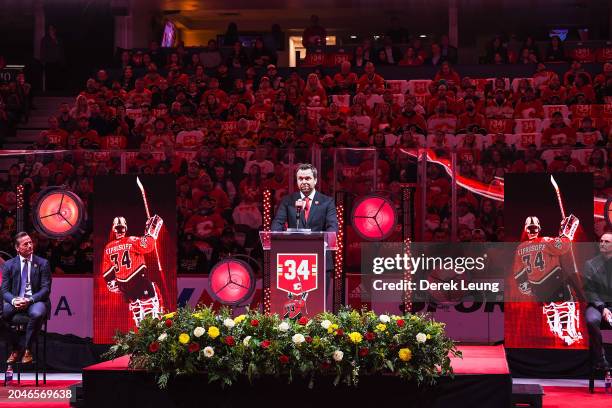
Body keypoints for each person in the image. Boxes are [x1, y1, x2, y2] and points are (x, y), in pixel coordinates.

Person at [102, 215, 164, 326]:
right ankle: (153, 330)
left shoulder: (108, 248)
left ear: (113, 229)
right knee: (150, 303)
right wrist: (151, 233)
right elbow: (148, 246)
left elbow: (107, 270)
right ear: (125, 228)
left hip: (123, 284)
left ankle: (141, 332)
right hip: (138, 279)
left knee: (136, 306)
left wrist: (110, 281)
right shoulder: (131, 240)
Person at [1, 232, 51, 364]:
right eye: (25, 244)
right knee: (1, 315)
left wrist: (29, 300)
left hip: (35, 301)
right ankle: (16, 347)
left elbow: (46, 289)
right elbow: (4, 290)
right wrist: (14, 300)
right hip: (16, 301)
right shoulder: (9, 265)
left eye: (30, 242)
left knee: (38, 313)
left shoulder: (43, 263)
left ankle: (28, 349)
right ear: (18, 248)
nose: (30, 245)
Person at [271, 163, 338, 234]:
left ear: (315, 180)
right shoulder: (287, 201)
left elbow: (332, 226)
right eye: (300, 179)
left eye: (307, 178)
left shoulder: (327, 202)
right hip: (293, 243)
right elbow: (277, 223)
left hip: (318, 244)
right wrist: (278, 239)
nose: (304, 182)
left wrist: (325, 242)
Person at [584, 232, 612, 370]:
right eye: (601, 241)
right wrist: (603, 308)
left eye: (607, 242)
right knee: (591, 320)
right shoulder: (590, 264)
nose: (602, 243)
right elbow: (590, 291)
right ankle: (601, 359)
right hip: (597, 305)